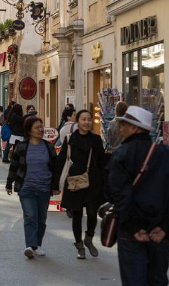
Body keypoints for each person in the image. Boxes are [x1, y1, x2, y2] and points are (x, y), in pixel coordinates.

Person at [108, 106, 169, 286]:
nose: (121, 129)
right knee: (157, 280)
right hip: (160, 231)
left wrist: (134, 227)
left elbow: (117, 194)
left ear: (134, 128)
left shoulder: (122, 153)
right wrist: (166, 226)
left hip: (131, 233)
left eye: (124, 125)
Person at [6, 115, 59, 259]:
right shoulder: (22, 147)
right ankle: (30, 245)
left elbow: (55, 168)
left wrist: (55, 186)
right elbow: (14, 166)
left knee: (41, 219)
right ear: (29, 131)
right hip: (26, 187)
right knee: (30, 216)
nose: (41, 130)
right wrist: (9, 183)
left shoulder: (48, 147)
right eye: (37, 127)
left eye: (41, 127)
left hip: (44, 188)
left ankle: (37, 245)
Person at [56, 109, 106, 259]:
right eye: (83, 119)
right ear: (77, 121)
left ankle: (88, 239)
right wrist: (55, 184)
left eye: (89, 119)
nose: (86, 122)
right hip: (74, 181)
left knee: (92, 213)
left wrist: (105, 182)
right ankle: (79, 246)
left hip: (93, 182)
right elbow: (61, 161)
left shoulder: (96, 139)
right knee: (77, 215)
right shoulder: (70, 139)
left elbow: (102, 162)